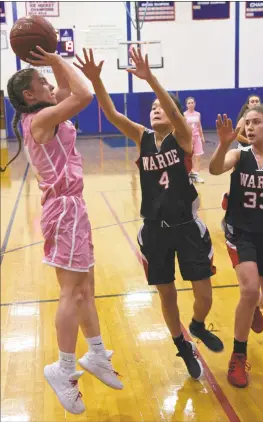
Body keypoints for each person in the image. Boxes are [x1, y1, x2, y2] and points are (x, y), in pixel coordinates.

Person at [73, 47, 224, 381]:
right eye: (153, 108)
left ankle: (197, 325)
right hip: (154, 229)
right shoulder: (142, 138)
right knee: (166, 293)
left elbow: (173, 109)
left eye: (161, 107)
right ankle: (182, 345)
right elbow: (112, 114)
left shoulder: (182, 137)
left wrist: (151, 79)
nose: (157, 110)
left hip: (187, 226)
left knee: (204, 295)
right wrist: (97, 81)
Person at [6, 46, 122, 415]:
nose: (49, 84)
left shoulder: (45, 111)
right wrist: (56, 59)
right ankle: (64, 370)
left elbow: (67, 90)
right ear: (30, 95)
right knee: (71, 292)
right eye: (42, 81)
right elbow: (84, 94)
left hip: (74, 206)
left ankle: (98, 353)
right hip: (64, 209)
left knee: (86, 287)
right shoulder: (40, 120)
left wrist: (52, 64)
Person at [209, 106, 263, 388]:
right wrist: (222, 144)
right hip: (241, 232)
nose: (250, 127)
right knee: (248, 288)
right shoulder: (239, 155)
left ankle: (257, 306)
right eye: (247, 123)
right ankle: (238, 356)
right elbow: (214, 168)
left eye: (257, 122)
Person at [184, 97, 205, 183]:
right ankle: (189, 175)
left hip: (197, 137)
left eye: (192, 102)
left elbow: (199, 126)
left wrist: (202, 136)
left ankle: (196, 175)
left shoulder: (198, 114)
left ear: (194, 104)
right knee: (189, 158)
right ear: (186, 105)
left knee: (198, 156)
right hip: (188, 138)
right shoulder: (184, 114)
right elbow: (183, 128)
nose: (191, 104)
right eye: (189, 103)